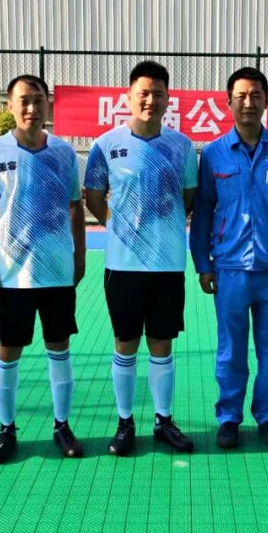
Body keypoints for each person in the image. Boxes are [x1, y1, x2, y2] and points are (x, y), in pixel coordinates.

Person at [190, 67, 268, 450]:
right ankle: (229, 418)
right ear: (228, 102)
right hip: (230, 270)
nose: (248, 102)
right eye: (240, 96)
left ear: (267, 101)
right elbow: (203, 212)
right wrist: (203, 263)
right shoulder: (213, 154)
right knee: (231, 350)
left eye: (256, 95)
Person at [84, 61, 196, 456]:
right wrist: (120, 227)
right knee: (125, 342)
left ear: (168, 100)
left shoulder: (182, 147)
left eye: (158, 94)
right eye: (143, 93)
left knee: (162, 343)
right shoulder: (105, 145)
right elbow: (93, 196)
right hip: (123, 265)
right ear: (129, 97)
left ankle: (163, 420)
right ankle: (125, 421)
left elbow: (187, 198)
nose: (150, 100)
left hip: (167, 264)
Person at [0, 74, 86, 463]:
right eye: (23, 100)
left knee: (59, 347)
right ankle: (6, 430)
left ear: (47, 105)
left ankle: (62, 425)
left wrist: (79, 256)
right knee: (9, 350)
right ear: (10, 106)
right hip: (11, 273)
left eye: (38, 100)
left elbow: (75, 207)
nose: (31, 108)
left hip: (56, 270)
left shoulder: (64, 153)